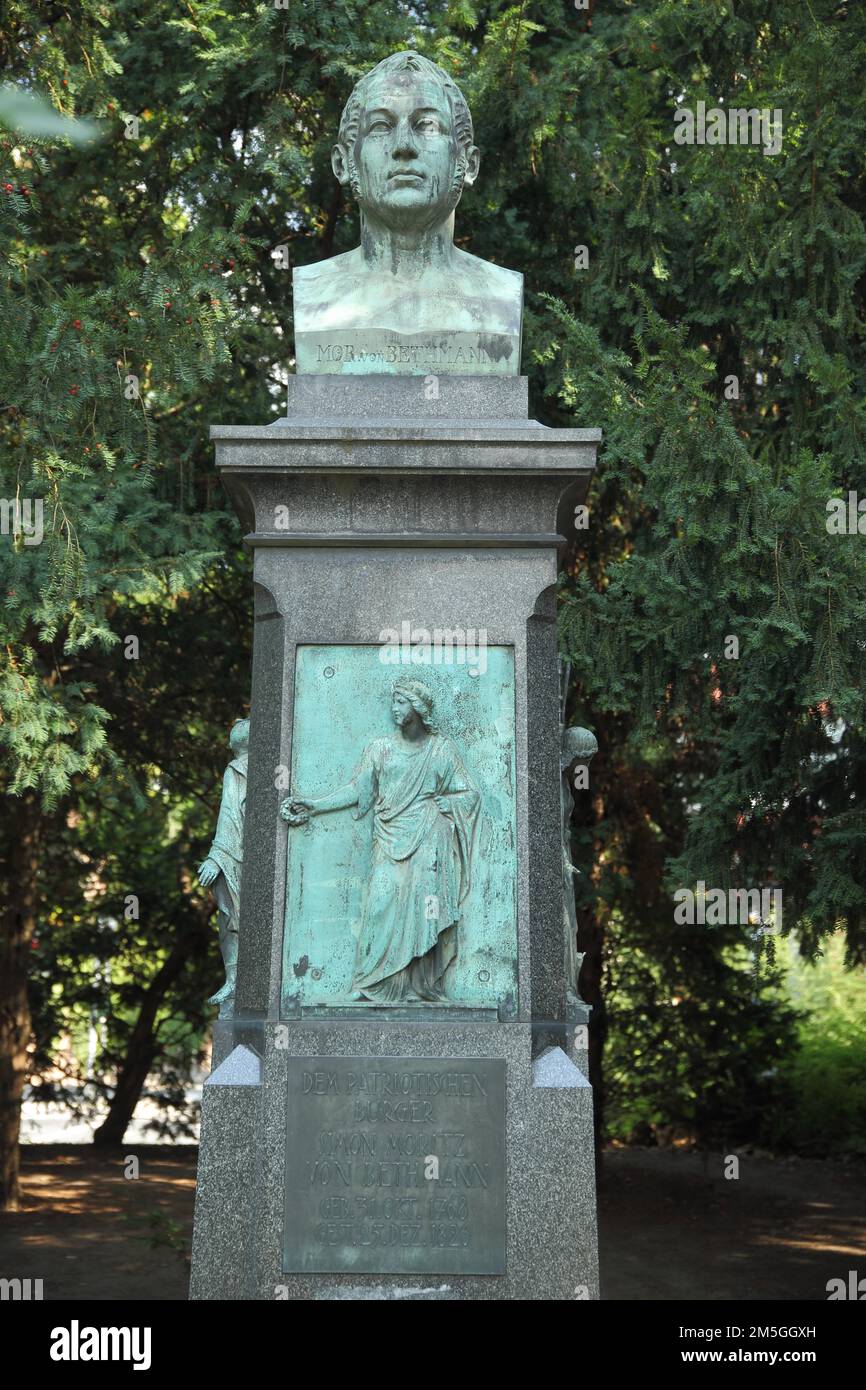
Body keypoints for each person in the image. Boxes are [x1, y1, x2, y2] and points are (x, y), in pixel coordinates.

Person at [281, 678, 480, 1002]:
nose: (394, 708)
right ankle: (370, 984)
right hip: (389, 837)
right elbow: (358, 791)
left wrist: (450, 803)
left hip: (429, 838)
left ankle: (422, 986)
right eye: (393, 702)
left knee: (427, 910)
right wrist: (314, 805)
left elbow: (468, 793)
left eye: (401, 702)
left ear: (417, 708)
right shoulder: (380, 749)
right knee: (379, 904)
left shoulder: (441, 750)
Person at [198, 718, 249, 1015]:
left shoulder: (237, 768)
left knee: (230, 917)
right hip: (251, 859)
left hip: (240, 857)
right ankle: (236, 981)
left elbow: (230, 814)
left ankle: (235, 979)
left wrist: (217, 857)